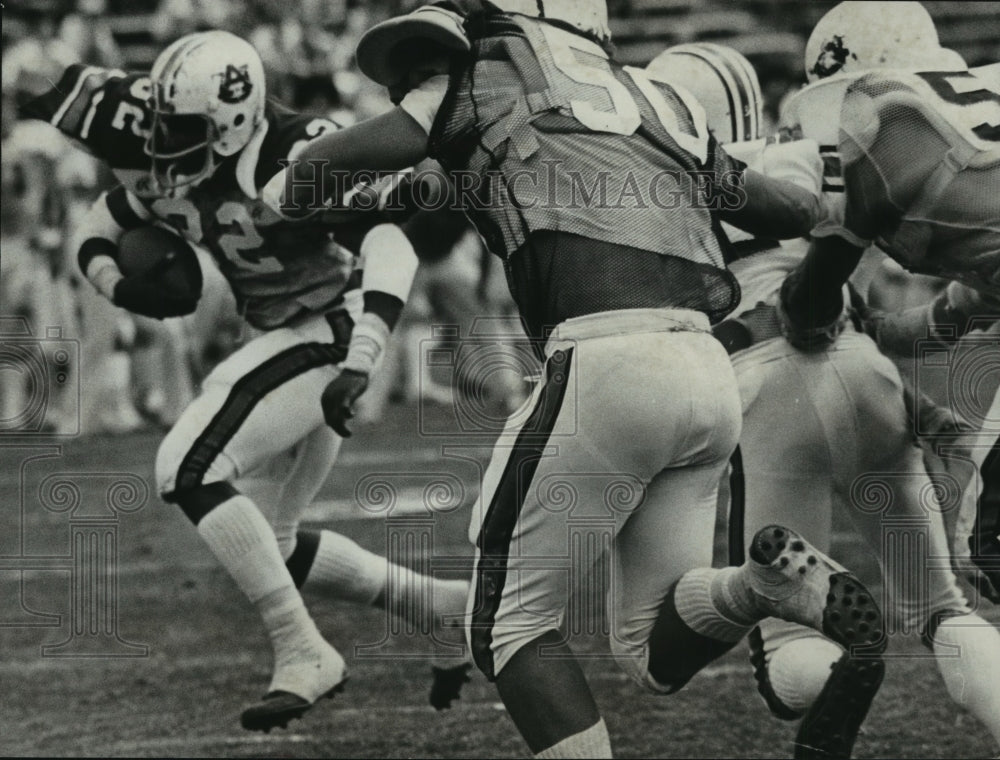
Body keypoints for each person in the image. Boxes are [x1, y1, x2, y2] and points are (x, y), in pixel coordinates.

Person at [269, 4, 890, 757]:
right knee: (650, 652)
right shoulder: (661, 97)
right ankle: (765, 588)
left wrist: (298, 192)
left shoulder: (483, 69)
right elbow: (786, 209)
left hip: (605, 358)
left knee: (505, 625)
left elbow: (316, 172)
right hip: (703, 368)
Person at [21, 30, 470, 732]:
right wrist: (118, 283)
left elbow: (389, 239)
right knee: (273, 541)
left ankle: (303, 651)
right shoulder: (178, 160)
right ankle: (441, 608)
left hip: (331, 332)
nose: (164, 145)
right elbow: (101, 222)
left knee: (188, 464)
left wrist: (364, 356)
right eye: (163, 126)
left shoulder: (298, 157)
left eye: (183, 129)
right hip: (285, 342)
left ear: (232, 119)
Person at [650, 38, 1000, 757]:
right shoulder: (817, 149)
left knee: (784, 656)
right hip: (863, 370)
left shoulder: (653, 179)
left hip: (762, 377)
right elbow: (840, 278)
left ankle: (848, 663)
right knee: (943, 610)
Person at [777, 1, 1000, 617]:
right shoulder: (976, 106)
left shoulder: (883, 127)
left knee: (990, 548)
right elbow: (968, 300)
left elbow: (807, 306)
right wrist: (880, 330)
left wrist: (819, 306)